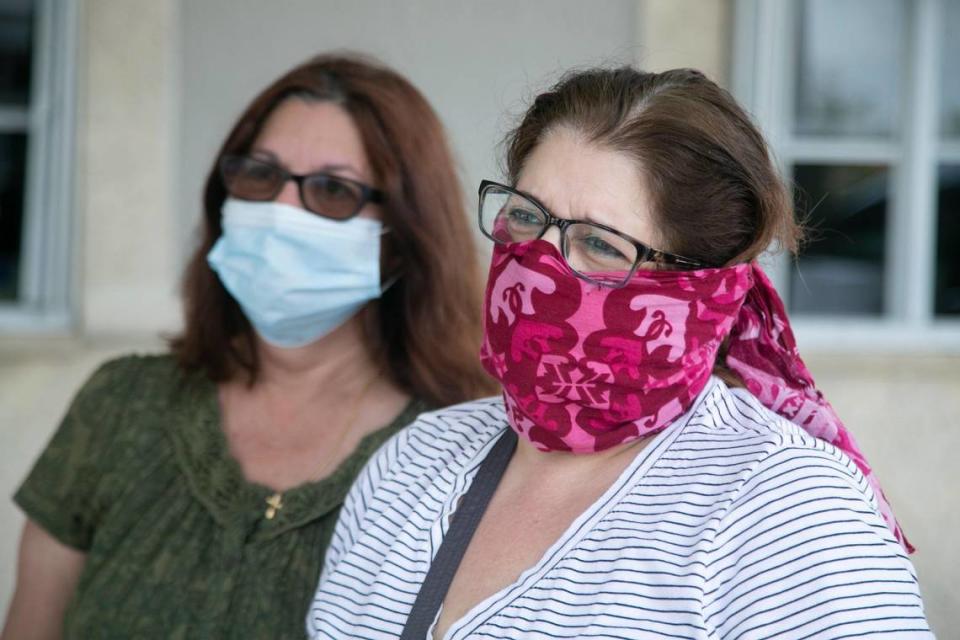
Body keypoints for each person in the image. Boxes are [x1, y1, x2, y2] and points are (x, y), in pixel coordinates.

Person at [307, 67, 932, 639]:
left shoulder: (787, 507)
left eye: (600, 246)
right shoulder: (410, 463)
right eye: (526, 216)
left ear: (697, 290)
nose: (541, 267)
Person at [1, 53, 494, 639]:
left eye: (332, 189)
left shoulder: (455, 462)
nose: (280, 210)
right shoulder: (120, 404)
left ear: (404, 236)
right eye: (260, 174)